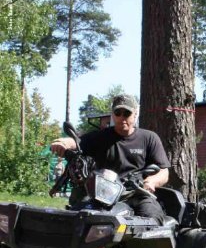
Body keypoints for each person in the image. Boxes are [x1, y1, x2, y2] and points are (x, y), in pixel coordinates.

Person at [50, 94, 170, 223]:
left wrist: (152, 181)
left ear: (135, 114)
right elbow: (77, 142)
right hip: (102, 194)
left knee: (151, 219)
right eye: (118, 113)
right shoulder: (100, 137)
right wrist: (63, 143)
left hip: (136, 193)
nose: (122, 117)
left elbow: (164, 171)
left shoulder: (149, 138)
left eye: (127, 113)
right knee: (77, 217)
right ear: (113, 114)